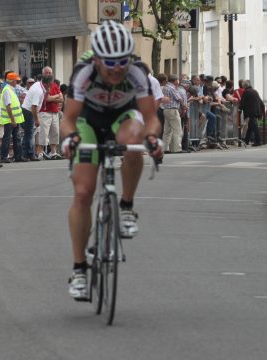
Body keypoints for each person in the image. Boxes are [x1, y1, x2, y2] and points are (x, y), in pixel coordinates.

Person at [61, 20, 163, 300]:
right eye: (109, 62)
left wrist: (152, 138)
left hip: (122, 117)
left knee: (134, 141)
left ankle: (127, 206)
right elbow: (68, 119)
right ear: (96, 58)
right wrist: (70, 138)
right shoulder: (84, 73)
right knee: (83, 193)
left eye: (122, 61)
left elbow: (151, 117)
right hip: (87, 121)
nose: (117, 68)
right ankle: (80, 269)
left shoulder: (137, 73)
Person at [0, 72, 26, 163]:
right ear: (11, 81)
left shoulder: (11, 89)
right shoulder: (7, 90)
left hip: (13, 119)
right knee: (7, 138)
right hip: (10, 119)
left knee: (16, 137)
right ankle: (4, 157)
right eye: (15, 80)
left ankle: (18, 156)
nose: (17, 82)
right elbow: (8, 107)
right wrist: (13, 120)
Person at [239, 80, 264, 146]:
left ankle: (258, 141)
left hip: (250, 112)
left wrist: (239, 110)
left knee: (255, 127)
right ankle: (246, 141)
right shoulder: (255, 91)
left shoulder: (246, 92)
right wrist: (262, 111)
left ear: (244, 86)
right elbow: (261, 102)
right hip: (256, 111)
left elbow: (242, 103)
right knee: (250, 127)